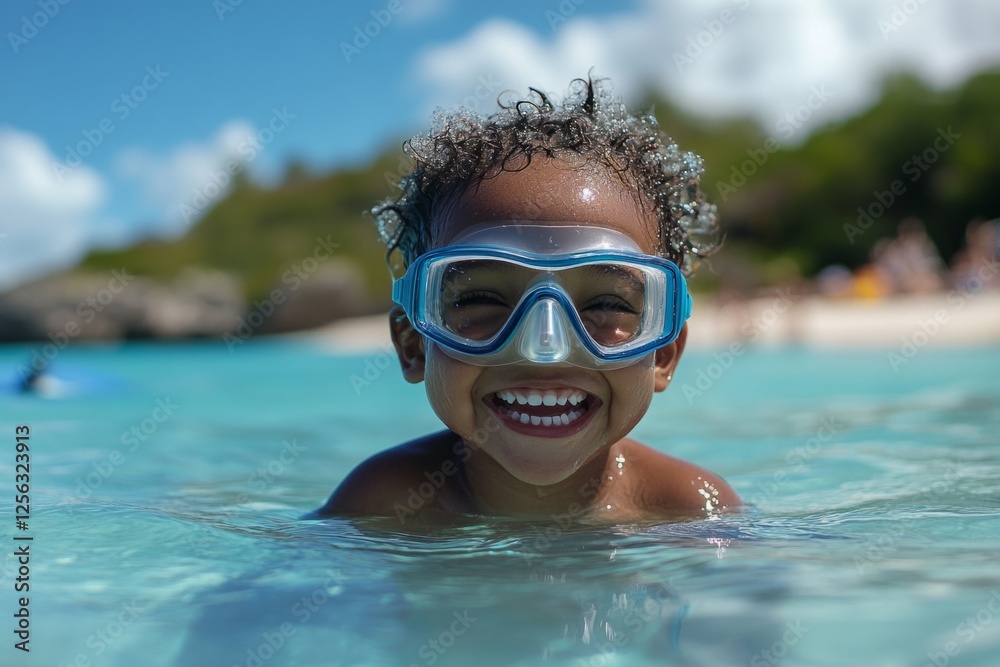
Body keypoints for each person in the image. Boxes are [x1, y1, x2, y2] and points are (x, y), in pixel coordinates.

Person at [313, 76, 740, 523]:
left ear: (664, 354)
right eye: (481, 299)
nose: (545, 350)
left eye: (606, 305)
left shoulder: (689, 510)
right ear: (413, 343)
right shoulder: (382, 503)